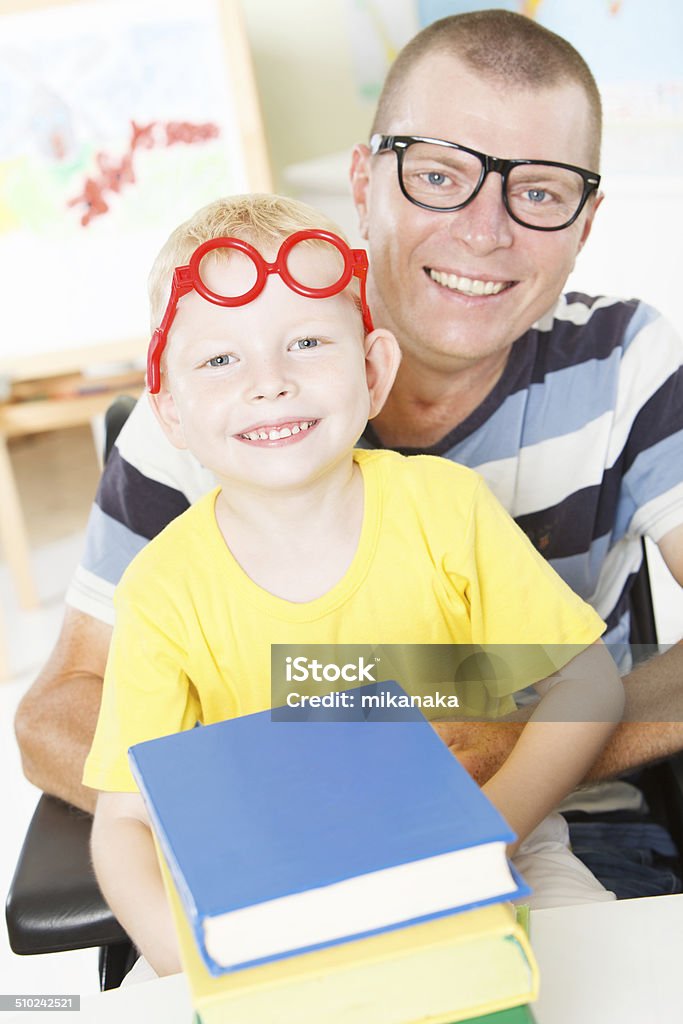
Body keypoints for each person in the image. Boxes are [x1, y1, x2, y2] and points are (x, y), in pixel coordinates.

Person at [15, 10, 683, 816]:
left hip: (565, 823)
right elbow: (57, 710)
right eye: (438, 177)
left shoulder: (628, 360)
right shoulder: (216, 396)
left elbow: (568, 704)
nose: (482, 232)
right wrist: (288, 810)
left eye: (538, 192)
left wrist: (519, 755)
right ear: (363, 184)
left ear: (584, 223)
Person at [83, 191, 623, 978]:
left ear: (373, 371)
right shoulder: (161, 589)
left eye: (305, 342)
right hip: (279, 879)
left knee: (603, 973)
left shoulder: (444, 508)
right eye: (221, 359)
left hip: (497, 838)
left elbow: (590, 687)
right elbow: (124, 821)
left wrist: (489, 832)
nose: (269, 383)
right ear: (170, 415)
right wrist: (194, 966)